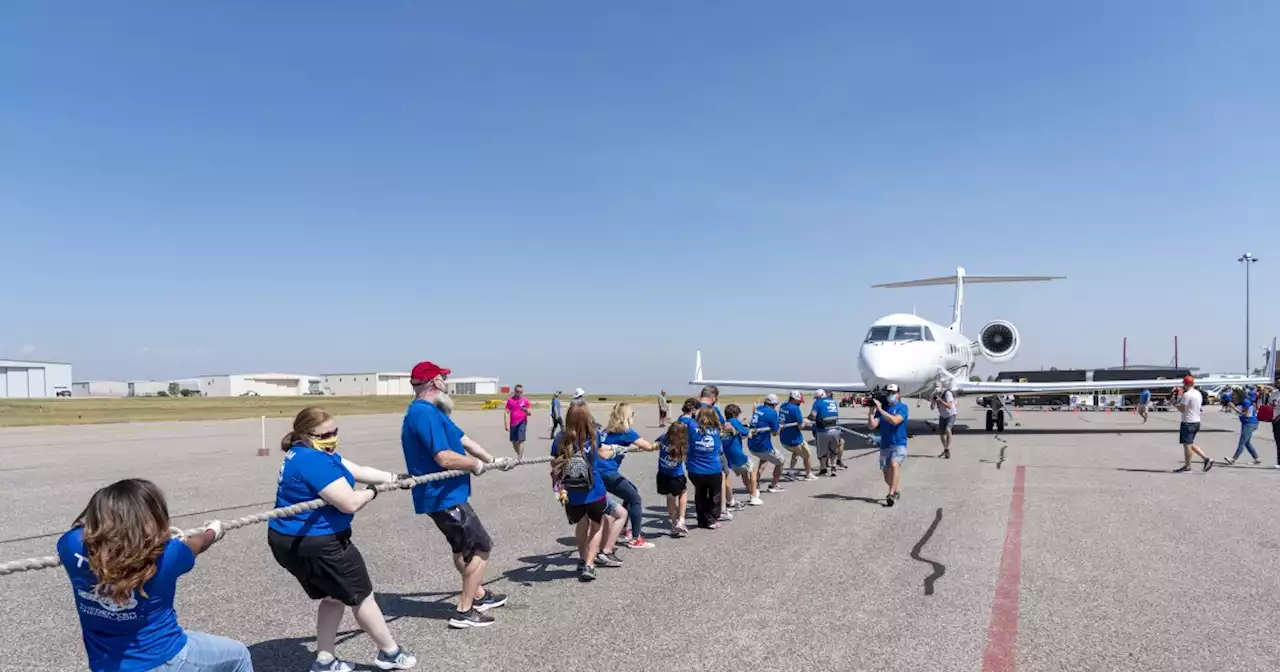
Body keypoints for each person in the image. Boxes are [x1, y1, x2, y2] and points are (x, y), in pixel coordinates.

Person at [268, 408, 417, 671]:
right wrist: (372, 493)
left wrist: (394, 478)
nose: (332, 437)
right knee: (362, 597)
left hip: (288, 540)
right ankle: (389, 653)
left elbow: (356, 469)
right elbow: (348, 502)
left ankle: (325, 660)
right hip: (319, 544)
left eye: (334, 431)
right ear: (305, 435)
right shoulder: (313, 461)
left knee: (333, 597)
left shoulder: (307, 453)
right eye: (325, 434)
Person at [57, 479, 252, 672]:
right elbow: (197, 544)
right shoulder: (167, 554)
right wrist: (213, 532)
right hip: (163, 659)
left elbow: (80, 528)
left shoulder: (70, 545)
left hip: (105, 664)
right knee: (239, 655)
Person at [401, 361, 512, 629]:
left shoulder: (434, 411)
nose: (446, 382)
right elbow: (444, 457)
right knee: (480, 547)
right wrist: (475, 465)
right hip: (442, 496)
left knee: (462, 547)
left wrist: (493, 459)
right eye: (443, 378)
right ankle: (464, 610)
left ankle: (480, 595)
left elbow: (461, 439)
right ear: (434, 382)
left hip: (449, 494)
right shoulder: (423, 414)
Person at [551, 403, 627, 581]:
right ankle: (590, 564)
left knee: (581, 525)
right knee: (596, 525)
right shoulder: (593, 435)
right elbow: (600, 453)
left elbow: (554, 463)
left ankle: (583, 557)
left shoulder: (560, 438)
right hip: (594, 491)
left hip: (571, 492)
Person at [600, 402, 657, 549]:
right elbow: (649, 447)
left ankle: (623, 529)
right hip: (609, 473)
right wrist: (662, 442)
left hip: (598, 472)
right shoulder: (627, 432)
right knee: (636, 499)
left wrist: (630, 447)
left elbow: (618, 445)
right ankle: (636, 538)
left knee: (631, 493)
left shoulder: (605, 431)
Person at [683, 406, 726, 528]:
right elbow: (719, 450)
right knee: (714, 495)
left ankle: (702, 519)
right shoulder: (716, 430)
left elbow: (685, 419)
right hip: (712, 469)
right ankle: (712, 519)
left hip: (695, 469)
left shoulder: (691, 426)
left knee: (700, 494)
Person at [868, 384, 909, 506]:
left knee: (894, 464)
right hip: (885, 445)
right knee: (886, 474)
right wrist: (871, 411)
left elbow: (896, 421)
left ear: (898, 394)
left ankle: (891, 494)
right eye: (888, 393)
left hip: (899, 444)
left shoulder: (903, 407)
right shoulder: (884, 408)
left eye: (893, 393)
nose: (890, 395)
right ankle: (895, 490)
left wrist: (880, 410)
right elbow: (872, 425)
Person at [722, 404, 762, 507]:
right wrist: (750, 431)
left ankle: (752, 490)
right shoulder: (734, 421)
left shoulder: (725, 424)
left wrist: (744, 426)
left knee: (745, 472)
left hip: (729, 459)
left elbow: (739, 433)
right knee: (752, 469)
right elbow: (745, 431)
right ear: (735, 414)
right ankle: (753, 497)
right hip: (738, 455)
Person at [655, 421, 690, 537]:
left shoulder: (663, 439)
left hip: (663, 475)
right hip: (676, 476)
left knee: (670, 498)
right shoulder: (683, 444)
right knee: (683, 492)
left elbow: (654, 444)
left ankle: (674, 523)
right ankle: (681, 519)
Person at [1173, 375, 1213, 473]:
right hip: (1196, 421)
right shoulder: (1198, 393)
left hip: (1188, 422)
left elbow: (1182, 409)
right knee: (1190, 443)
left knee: (1187, 445)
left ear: (1185, 384)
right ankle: (1206, 459)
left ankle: (1188, 467)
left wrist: (1175, 404)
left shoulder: (1187, 395)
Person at [748, 393, 786, 493]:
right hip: (762, 446)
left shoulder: (759, 408)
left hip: (752, 444)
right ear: (774, 404)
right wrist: (780, 427)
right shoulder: (772, 413)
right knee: (781, 461)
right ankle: (774, 485)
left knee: (764, 459)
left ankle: (755, 483)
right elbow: (775, 433)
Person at [779, 391, 816, 481]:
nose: (800, 403)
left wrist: (802, 420)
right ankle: (808, 474)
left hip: (784, 438)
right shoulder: (795, 409)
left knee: (796, 452)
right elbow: (800, 427)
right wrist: (807, 423)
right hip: (794, 439)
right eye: (799, 401)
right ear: (795, 399)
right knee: (807, 455)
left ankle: (791, 471)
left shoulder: (783, 406)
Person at [1223, 388, 1261, 465]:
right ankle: (1257, 458)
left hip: (1250, 423)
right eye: (1232, 395)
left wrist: (1233, 408)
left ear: (1239, 395)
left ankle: (1233, 459)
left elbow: (1246, 414)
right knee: (1247, 443)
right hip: (1245, 423)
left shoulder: (1246, 402)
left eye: (1234, 395)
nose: (1233, 397)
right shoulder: (1240, 402)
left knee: (1242, 442)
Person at [809, 389, 842, 476]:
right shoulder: (833, 401)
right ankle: (833, 467)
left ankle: (823, 468)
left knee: (822, 452)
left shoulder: (818, 402)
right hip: (836, 429)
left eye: (816, 397)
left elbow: (813, 416)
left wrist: (806, 420)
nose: (816, 399)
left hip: (823, 430)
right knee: (833, 450)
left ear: (819, 396)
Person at [504, 384, 531, 460]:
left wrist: (526, 410)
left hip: (522, 422)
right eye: (518, 391)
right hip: (513, 423)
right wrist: (506, 424)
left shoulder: (525, 401)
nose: (519, 393)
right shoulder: (510, 401)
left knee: (521, 440)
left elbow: (529, 413)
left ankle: (520, 458)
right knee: (514, 442)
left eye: (521, 392)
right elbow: (506, 412)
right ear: (515, 391)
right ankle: (520, 454)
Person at [931, 383, 958, 458]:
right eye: (935, 387)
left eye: (937, 387)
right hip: (942, 416)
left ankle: (947, 448)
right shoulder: (934, 394)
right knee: (941, 434)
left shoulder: (947, 393)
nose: (936, 389)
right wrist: (933, 401)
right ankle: (946, 449)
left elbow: (949, 406)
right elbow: (932, 407)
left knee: (948, 430)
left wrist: (940, 401)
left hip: (951, 414)